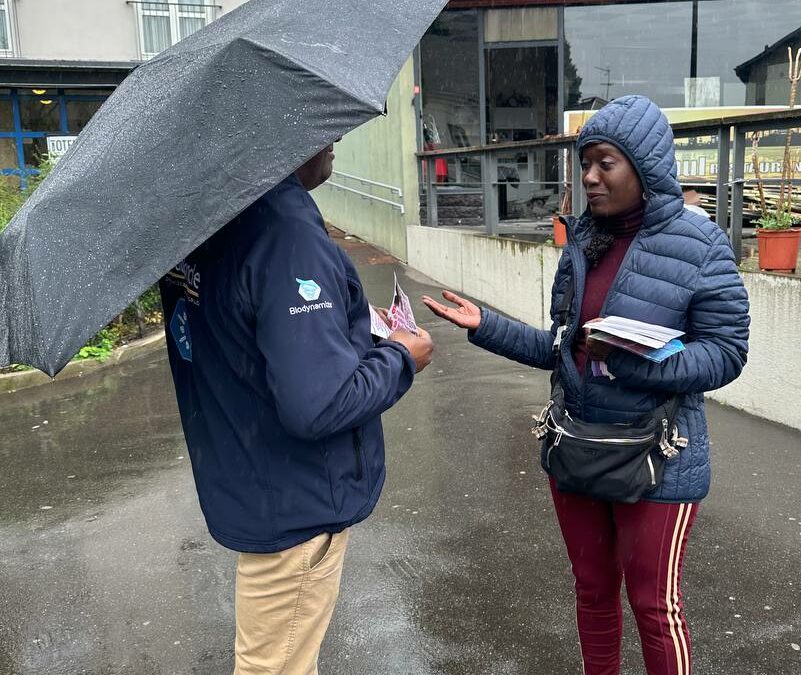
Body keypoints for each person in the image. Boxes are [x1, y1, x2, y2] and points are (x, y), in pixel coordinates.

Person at [423, 95, 749, 675]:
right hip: (577, 446)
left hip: (659, 456)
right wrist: (487, 326)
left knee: (654, 606)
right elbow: (562, 348)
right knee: (592, 590)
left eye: (606, 163)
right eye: (586, 165)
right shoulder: (583, 244)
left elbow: (726, 353)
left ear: (645, 167)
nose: (591, 178)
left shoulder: (702, 246)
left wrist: (630, 362)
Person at [159, 140, 434, 675]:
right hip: (297, 500)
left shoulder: (209, 220)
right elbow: (319, 405)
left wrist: (344, 329)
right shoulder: (285, 235)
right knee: (274, 668)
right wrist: (402, 355)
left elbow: (242, 337)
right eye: (320, 129)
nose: (334, 143)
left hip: (250, 477)